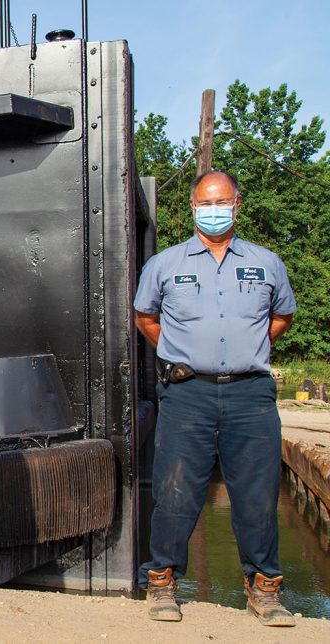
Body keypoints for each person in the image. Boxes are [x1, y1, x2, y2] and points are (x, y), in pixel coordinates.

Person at [134, 170, 296, 627]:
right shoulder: (165, 265)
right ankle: (162, 582)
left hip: (251, 394)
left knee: (258, 493)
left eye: (222, 202)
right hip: (187, 395)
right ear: (192, 207)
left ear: (237, 204)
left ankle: (264, 588)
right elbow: (145, 316)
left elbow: (281, 316)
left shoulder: (267, 263)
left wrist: (247, 348)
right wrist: (180, 353)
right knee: (175, 490)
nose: (214, 210)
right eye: (205, 203)